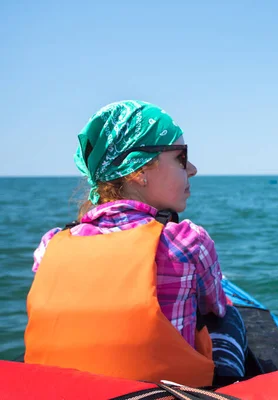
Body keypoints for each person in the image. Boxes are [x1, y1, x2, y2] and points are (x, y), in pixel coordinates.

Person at [24, 100, 247, 387]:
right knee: (227, 317)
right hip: (162, 393)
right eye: (181, 157)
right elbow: (214, 305)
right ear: (138, 171)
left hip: (67, 392)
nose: (192, 169)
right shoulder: (188, 242)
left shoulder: (50, 246)